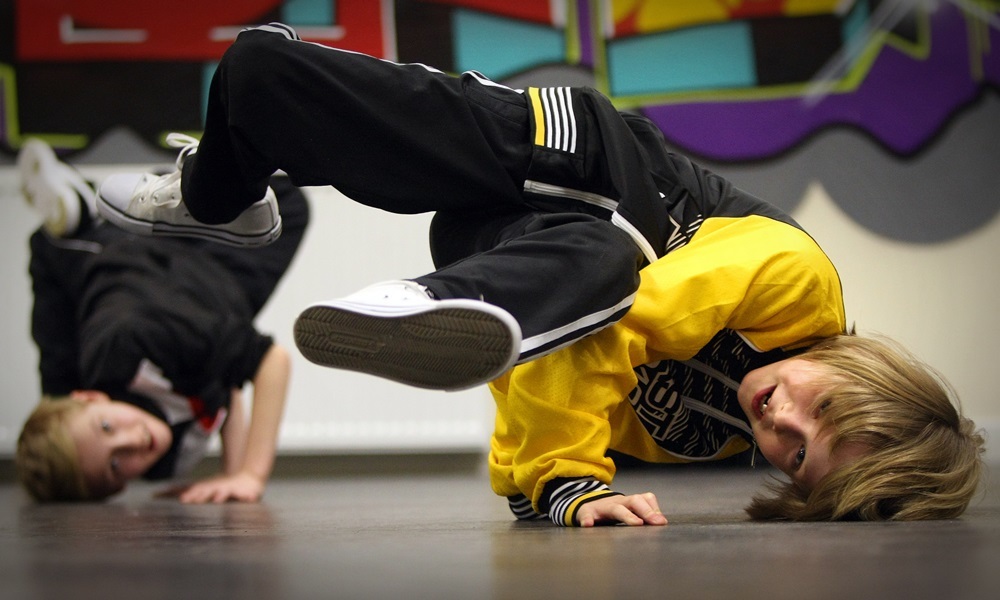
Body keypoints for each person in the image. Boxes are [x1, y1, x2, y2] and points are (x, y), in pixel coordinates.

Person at [94, 24, 984, 523]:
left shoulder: (708, 437)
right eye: (819, 408)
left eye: (796, 459)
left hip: (514, 255)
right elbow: (632, 319)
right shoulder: (797, 284)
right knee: (260, 72)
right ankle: (224, 190)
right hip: (575, 162)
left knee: (570, 307)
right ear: (863, 368)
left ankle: (454, 298)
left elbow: (544, 374)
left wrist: (543, 489)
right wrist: (572, 478)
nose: (778, 423)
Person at [14, 138, 309, 503]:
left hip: (138, 262)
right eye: (116, 467)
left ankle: (83, 218)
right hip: (216, 285)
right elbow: (224, 383)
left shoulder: (137, 340)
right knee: (288, 208)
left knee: (60, 364)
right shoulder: (163, 463)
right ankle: (90, 221)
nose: (134, 441)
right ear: (117, 487)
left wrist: (250, 475)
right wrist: (230, 476)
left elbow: (271, 362)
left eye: (107, 428)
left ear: (91, 398)